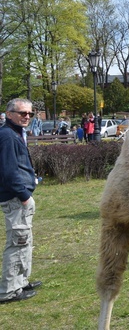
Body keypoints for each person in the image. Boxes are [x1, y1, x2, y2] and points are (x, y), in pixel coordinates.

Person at [0, 98, 42, 303]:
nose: (26, 117)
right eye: (22, 113)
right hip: (16, 198)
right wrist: (24, 196)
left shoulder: (15, 133)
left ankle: (21, 282)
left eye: (30, 114)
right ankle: (9, 291)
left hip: (21, 197)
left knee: (25, 241)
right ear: (9, 114)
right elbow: (9, 171)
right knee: (17, 242)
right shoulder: (7, 136)